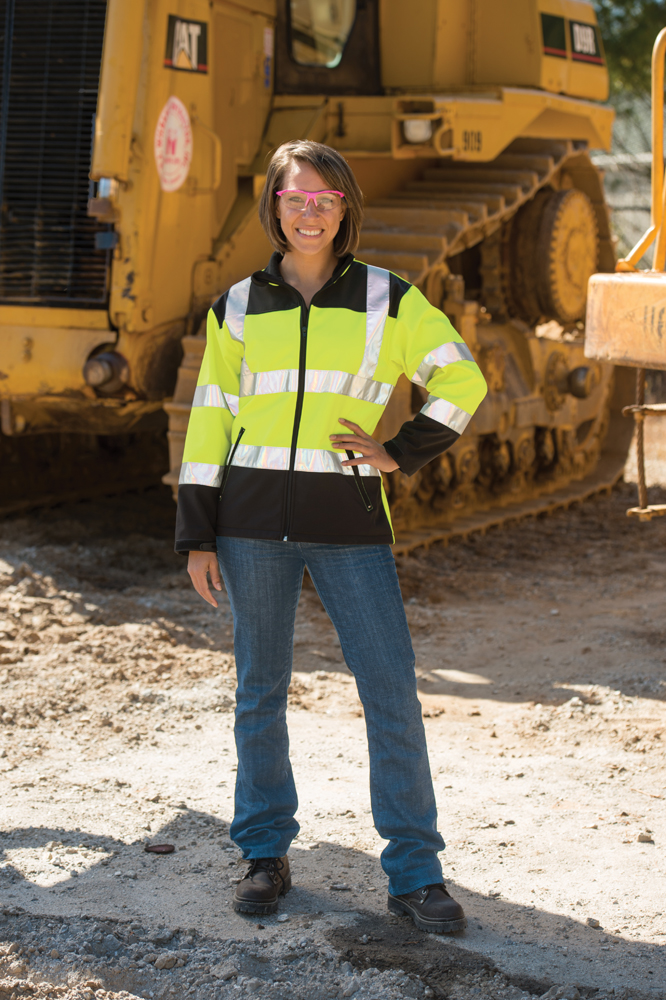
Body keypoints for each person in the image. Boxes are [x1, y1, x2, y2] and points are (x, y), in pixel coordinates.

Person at [175, 139, 487, 934]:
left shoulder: (389, 297)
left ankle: (416, 872)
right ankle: (264, 853)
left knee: (389, 688)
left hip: (350, 523)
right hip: (249, 527)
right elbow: (211, 419)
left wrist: (400, 449)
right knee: (259, 690)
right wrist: (197, 533)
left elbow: (462, 378)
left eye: (324, 198)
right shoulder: (237, 307)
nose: (308, 212)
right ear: (273, 209)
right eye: (293, 198)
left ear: (345, 207)